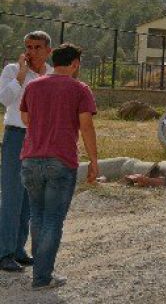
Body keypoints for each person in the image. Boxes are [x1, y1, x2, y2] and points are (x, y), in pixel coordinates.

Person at [18, 43, 99, 290]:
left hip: (31, 159)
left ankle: (40, 273)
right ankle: (42, 277)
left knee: (37, 216)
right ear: (75, 64)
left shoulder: (33, 85)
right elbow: (86, 126)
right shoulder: (79, 89)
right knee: (53, 219)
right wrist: (94, 161)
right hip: (61, 160)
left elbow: (25, 118)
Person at [0, 31, 53, 273]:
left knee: (29, 198)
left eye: (37, 47)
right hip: (16, 136)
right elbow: (4, 99)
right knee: (12, 196)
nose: (31, 52)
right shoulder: (13, 70)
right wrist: (21, 75)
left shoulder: (52, 75)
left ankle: (19, 249)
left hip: (40, 139)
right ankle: (4, 252)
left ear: (47, 50)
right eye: (28, 47)